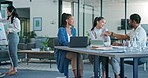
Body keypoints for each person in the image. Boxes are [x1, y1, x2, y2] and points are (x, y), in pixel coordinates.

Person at [54, 13, 83, 78]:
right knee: (75, 55)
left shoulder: (73, 30)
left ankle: (81, 75)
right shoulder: (61, 30)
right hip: (64, 52)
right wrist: (72, 44)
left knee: (79, 55)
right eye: (72, 19)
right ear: (67, 20)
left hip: (72, 50)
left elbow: (74, 40)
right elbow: (63, 42)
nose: (73, 21)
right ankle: (77, 76)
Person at [0, 5, 20, 75]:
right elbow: (2, 20)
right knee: (10, 53)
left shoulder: (16, 19)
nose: (7, 12)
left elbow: (18, 29)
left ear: (11, 11)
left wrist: (10, 30)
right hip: (10, 37)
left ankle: (15, 69)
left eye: (7, 11)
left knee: (13, 53)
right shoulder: (9, 18)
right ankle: (12, 67)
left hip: (14, 37)